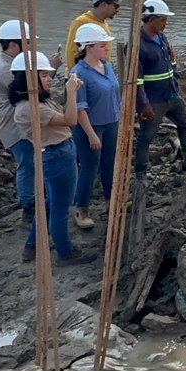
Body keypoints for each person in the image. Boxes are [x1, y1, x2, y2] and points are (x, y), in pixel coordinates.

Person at [10, 51, 97, 266]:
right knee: (61, 207)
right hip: (57, 155)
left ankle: (32, 244)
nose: (50, 79)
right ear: (30, 79)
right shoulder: (32, 108)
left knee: (51, 203)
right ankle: (65, 252)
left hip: (58, 151)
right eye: (44, 76)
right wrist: (72, 92)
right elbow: (70, 119)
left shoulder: (39, 101)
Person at [134, 0, 186, 179]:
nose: (165, 23)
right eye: (162, 20)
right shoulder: (138, 46)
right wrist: (144, 105)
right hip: (154, 100)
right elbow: (136, 80)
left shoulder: (161, 37)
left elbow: (170, 61)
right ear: (151, 19)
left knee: (184, 122)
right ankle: (140, 173)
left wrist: (175, 77)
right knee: (147, 136)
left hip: (170, 94)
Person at [0, 20, 63, 224]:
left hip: (22, 124)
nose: (32, 47)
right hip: (15, 127)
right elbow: (31, 90)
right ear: (13, 45)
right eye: (28, 43)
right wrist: (51, 69)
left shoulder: (16, 65)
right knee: (27, 165)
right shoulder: (6, 70)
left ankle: (37, 200)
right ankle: (29, 206)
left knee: (34, 163)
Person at [71, 24, 121, 229]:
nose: (107, 49)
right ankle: (81, 209)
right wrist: (91, 134)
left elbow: (115, 94)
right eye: (102, 45)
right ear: (88, 48)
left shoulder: (106, 67)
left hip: (111, 123)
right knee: (89, 168)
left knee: (110, 164)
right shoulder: (79, 73)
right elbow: (80, 108)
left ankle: (111, 201)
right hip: (90, 128)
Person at [65, 0, 120, 77]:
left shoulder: (104, 24)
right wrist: (77, 77)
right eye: (116, 6)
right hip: (81, 78)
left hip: (98, 76)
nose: (118, 10)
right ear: (104, 4)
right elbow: (71, 53)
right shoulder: (81, 22)